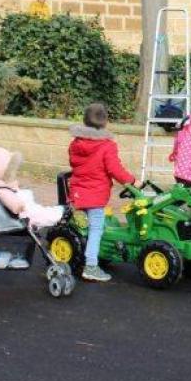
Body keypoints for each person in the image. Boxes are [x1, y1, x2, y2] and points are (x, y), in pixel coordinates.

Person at [68, 102, 135, 283]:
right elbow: (115, 169)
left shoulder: (76, 143)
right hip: (96, 196)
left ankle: (81, 253)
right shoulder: (107, 146)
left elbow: (74, 164)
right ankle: (90, 266)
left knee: (82, 227)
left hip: (77, 194)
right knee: (96, 229)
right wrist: (130, 180)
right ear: (105, 122)